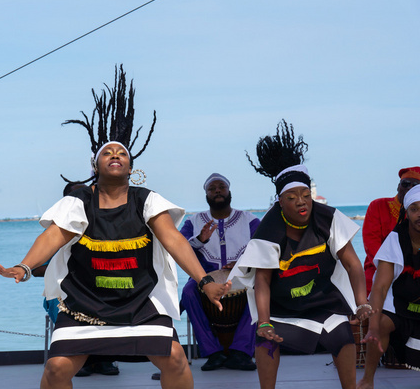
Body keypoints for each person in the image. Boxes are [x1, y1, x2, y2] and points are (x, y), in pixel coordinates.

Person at [0, 65, 230, 389]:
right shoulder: (79, 201)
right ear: (96, 165)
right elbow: (52, 236)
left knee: (175, 358)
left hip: (142, 301)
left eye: (121, 152)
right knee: (56, 370)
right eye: (108, 152)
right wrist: (24, 266)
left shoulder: (146, 200)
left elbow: (174, 240)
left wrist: (203, 282)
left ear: (131, 166)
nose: (115, 154)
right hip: (84, 302)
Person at [229, 120, 372, 389]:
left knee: (342, 336)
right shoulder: (269, 229)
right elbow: (262, 281)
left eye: (305, 194)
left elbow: (352, 264)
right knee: (265, 339)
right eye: (292, 197)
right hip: (284, 308)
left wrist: (361, 302)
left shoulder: (328, 218)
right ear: (280, 201)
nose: (301, 201)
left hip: (324, 302)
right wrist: (263, 322)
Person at [33, 182, 120, 377]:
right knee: (64, 307)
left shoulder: (103, 229)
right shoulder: (56, 233)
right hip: (62, 292)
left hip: (97, 288)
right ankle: (79, 359)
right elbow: (37, 268)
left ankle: (103, 358)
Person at [180, 173, 260, 371]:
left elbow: (263, 247)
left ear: (228, 191)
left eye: (221, 187)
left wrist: (241, 263)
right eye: (212, 188)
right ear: (206, 194)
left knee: (258, 289)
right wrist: (200, 239)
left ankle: (241, 352)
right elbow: (180, 247)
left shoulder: (248, 220)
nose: (217, 190)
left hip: (242, 274)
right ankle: (212, 352)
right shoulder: (194, 221)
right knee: (189, 292)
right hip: (204, 276)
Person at [357, 185, 420, 388]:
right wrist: (373, 327)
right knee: (381, 324)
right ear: (407, 213)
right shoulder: (395, 240)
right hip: (400, 305)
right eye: (414, 209)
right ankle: (367, 380)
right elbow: (380, 288)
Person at [363, 167, 420, 295]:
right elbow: (371, 243)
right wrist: (392, 270)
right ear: (398, 186)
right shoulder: (377, 206)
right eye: (405, 184)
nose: (409, 188)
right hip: (377, 270)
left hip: (414, 273)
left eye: (415, 185)